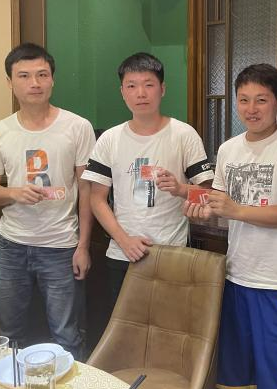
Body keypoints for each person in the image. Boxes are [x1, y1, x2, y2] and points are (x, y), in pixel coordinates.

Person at [185, 63, 277, 389]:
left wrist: (235, 209)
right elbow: (219, 205)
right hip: (236, 278)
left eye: (261, 99)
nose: (251, 108)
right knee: (240, 376)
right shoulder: (229, 149)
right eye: (243, 100)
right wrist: (199, 209)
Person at [81, 52, 214, 332]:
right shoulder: (109, 139)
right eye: (131, 85)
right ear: (122, 92)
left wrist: (180, 189)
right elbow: (97, 199)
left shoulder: (184, 134)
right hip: (122, 254)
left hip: (172, 253)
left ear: (162, 89)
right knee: (124, 332)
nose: (140, 93)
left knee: (170, 330)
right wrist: (124, 241)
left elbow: (206, 195)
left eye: (148, 84)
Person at [0, 43, 96, 359]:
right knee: (10, 333)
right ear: (10, 82)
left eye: (42, 75)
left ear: (52, 79)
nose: (35, 83)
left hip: (61, 246)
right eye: (24, 76)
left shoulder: (77, 127)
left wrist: (83, 246)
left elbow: (87, 190)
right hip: (12, 245)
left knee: (67, 334)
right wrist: (13, 193)